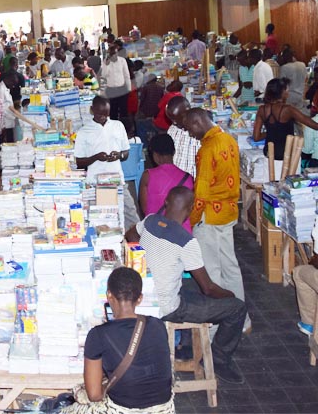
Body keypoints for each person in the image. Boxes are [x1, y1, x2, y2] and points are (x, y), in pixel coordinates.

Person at [126, 187, 247, 384]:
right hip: (168, 308)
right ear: (191, 209)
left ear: (166, 202)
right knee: (237, 308)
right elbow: (208, 288)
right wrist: (230, 295)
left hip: (145, 294)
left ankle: (187, 345)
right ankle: (220, 360)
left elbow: (131, 234)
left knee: (189, 287)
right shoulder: (186, 241)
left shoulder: (150, 221)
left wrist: (148, 258)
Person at [61, 268, 174, 414]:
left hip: (122, 410)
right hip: (164, 409)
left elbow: (94, 395)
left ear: (109, 295)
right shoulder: (158, 325)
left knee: (67, 409)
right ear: (139, 298)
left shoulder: (98, 335)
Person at [185, 108, 249, 332]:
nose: (190, 134)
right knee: (230, 266)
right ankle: (243, 320)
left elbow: (200, 193)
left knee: (211, 271)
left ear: (197, 122)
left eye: (189, 128)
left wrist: (191, 220)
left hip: (209, 216)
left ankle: (217, 327)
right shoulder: (229, 139)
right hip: (229, 212)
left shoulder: (207, 148)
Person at [74, 96, 139, 228]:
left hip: (117, 179)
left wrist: (119, 155)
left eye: (106, 114)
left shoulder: (118, 126)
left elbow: (126, 153)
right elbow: (79, 162)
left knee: (130, 214)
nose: (103, 118)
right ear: (92, 110)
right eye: (99, 114)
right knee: (102, 219)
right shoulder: (84, 132)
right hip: (95, 181)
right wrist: (95, 157)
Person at [253, 78, 318, 178]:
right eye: (286, 90)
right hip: (288, 156)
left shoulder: (262, 110)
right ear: (281, 92)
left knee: (270, 187)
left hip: (270, 154)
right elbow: (312, 124)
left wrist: (271, 131)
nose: (288, 93)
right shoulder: (288, 109)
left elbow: (256, 137)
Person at [138, 134, 194, 232]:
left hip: (155, 232)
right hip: (183, 234)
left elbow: (145, 209)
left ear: (155, 154)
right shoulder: (188, 178)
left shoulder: (148, 176)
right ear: (174, 152)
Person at [165, 97, 200, 177]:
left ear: (187, 113)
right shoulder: (172, 130)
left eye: (176, 118)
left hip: (195, 182)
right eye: (171, 119)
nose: (174, 122)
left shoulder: (202, 132)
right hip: (177, 180)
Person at [101, 43, 132, 120]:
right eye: (112, 54)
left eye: (115, 53)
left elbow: (126, 75)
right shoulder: (105, 62)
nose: (114, 56)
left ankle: (124, 127)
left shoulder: (122, 61)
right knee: (112, 111)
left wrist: (129, 88)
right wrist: (107, 65)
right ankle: (114, 128)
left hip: (122, 89)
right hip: (111, 90)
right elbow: (103, 76)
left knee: (123, 110)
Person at [0, 72, 17, 143]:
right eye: (13, 84)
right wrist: (13, 116)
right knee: (8, 142)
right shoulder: (0, 89)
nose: (13, 86)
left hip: (10, 121)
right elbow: (0, 108)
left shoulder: (6, 88)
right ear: (8, 80)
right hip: (5, 123)